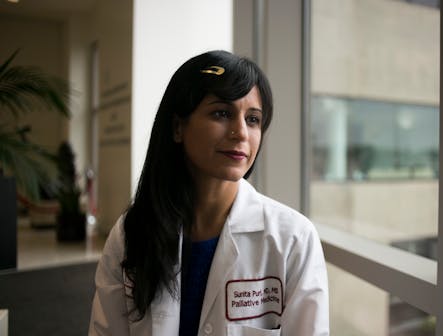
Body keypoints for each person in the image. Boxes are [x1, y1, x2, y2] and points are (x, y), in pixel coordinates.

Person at [89, 50, 329, 336]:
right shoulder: (131, 233)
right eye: (222, 113)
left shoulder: (293, 239)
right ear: (178, 127)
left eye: (253, 119)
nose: (241, 133)